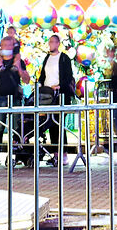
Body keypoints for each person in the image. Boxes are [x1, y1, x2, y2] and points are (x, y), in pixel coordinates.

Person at [35, 33, 82, 161]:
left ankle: (63, 153)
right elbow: (43, 75)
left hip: (60, 95)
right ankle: (56, 153)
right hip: (47, 95)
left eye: (53, 42)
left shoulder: (64, 58)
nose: (51, 44)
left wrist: (59, 86)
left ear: (58, 44)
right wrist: (39, 84)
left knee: (58, 123)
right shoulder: (47, 58)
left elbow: (68, 77)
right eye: (49, 42)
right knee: (50, 123)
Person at [0, 34, 31, 165]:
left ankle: (15, 154)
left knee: (16, 127)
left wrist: (19, 68)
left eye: (8, 45)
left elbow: (27, 80)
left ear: (12, 47)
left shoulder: (18, 62)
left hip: (15, 98)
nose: (5, 48)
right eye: (3, 46)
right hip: (1, 97)